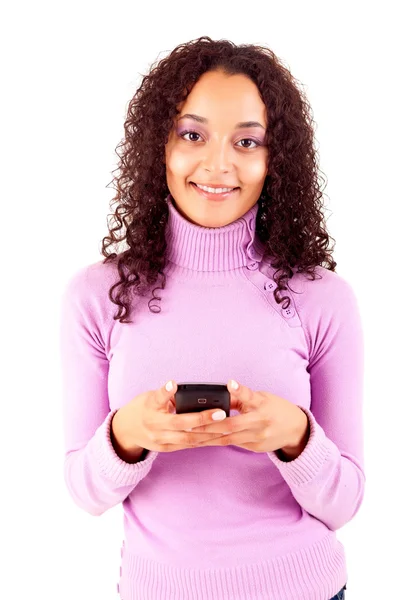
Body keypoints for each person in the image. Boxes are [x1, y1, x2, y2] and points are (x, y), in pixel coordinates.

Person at [59, 36, 363, 600]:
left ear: (275, 160)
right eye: (192, 134)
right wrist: (127, 435)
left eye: (247, 141)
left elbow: (345, 502)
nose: (218, 164)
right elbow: (84, 492)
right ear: (160, 146)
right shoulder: (99, 296)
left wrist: (295, 436)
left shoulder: (324, 299)